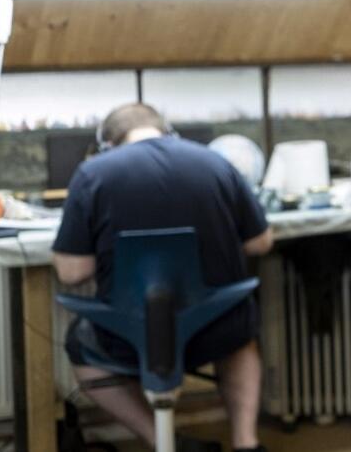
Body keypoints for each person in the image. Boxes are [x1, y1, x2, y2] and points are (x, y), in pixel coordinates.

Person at [52, 103, 272, 452]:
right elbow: (260, 242)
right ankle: (246, 443)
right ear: (169, 131)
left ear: (108, 142)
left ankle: (164, 441)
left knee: (80, 345)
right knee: (240, 329)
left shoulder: (92, 173)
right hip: (214, 328)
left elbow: (72, 271)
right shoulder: (215, 162)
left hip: (128, 336)